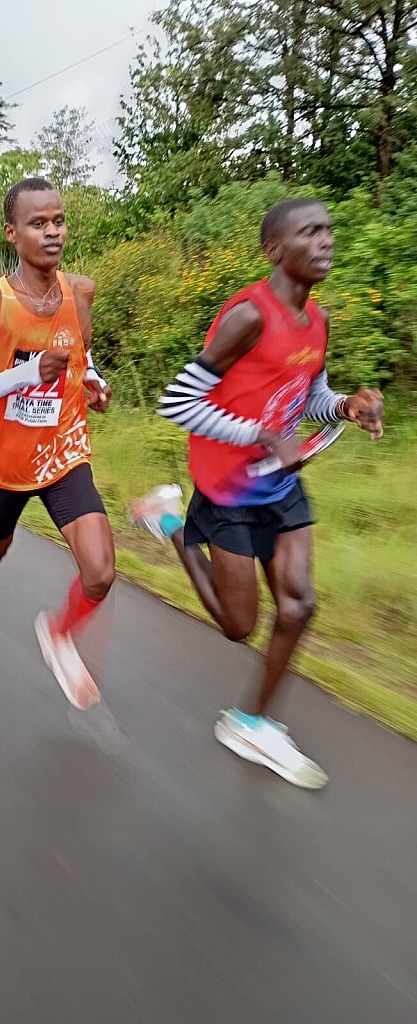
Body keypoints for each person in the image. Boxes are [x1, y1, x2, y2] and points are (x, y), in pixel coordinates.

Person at [138, 197, 384, 788]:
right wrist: (261, 435)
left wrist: (346, 407)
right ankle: (172, 522)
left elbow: (308, 396)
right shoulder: (248, 316)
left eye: (328, 230)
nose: (325, 240)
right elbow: (177, 402)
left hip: (280, 482)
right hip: (227, 487)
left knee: (299, 605)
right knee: (238, 626)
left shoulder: (317, 319)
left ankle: (253, 724)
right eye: (309, 232)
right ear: (274, 249)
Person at [0, 177, 115, 711]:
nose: (52, 231)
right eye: (38, 223)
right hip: (9, 461)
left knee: (100, 573)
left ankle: (60, 633)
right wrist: (26, 374)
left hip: (64, 451)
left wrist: (92, 381)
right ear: (12, 233)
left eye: (58, 220)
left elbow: (79, 355)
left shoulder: (79, 292)